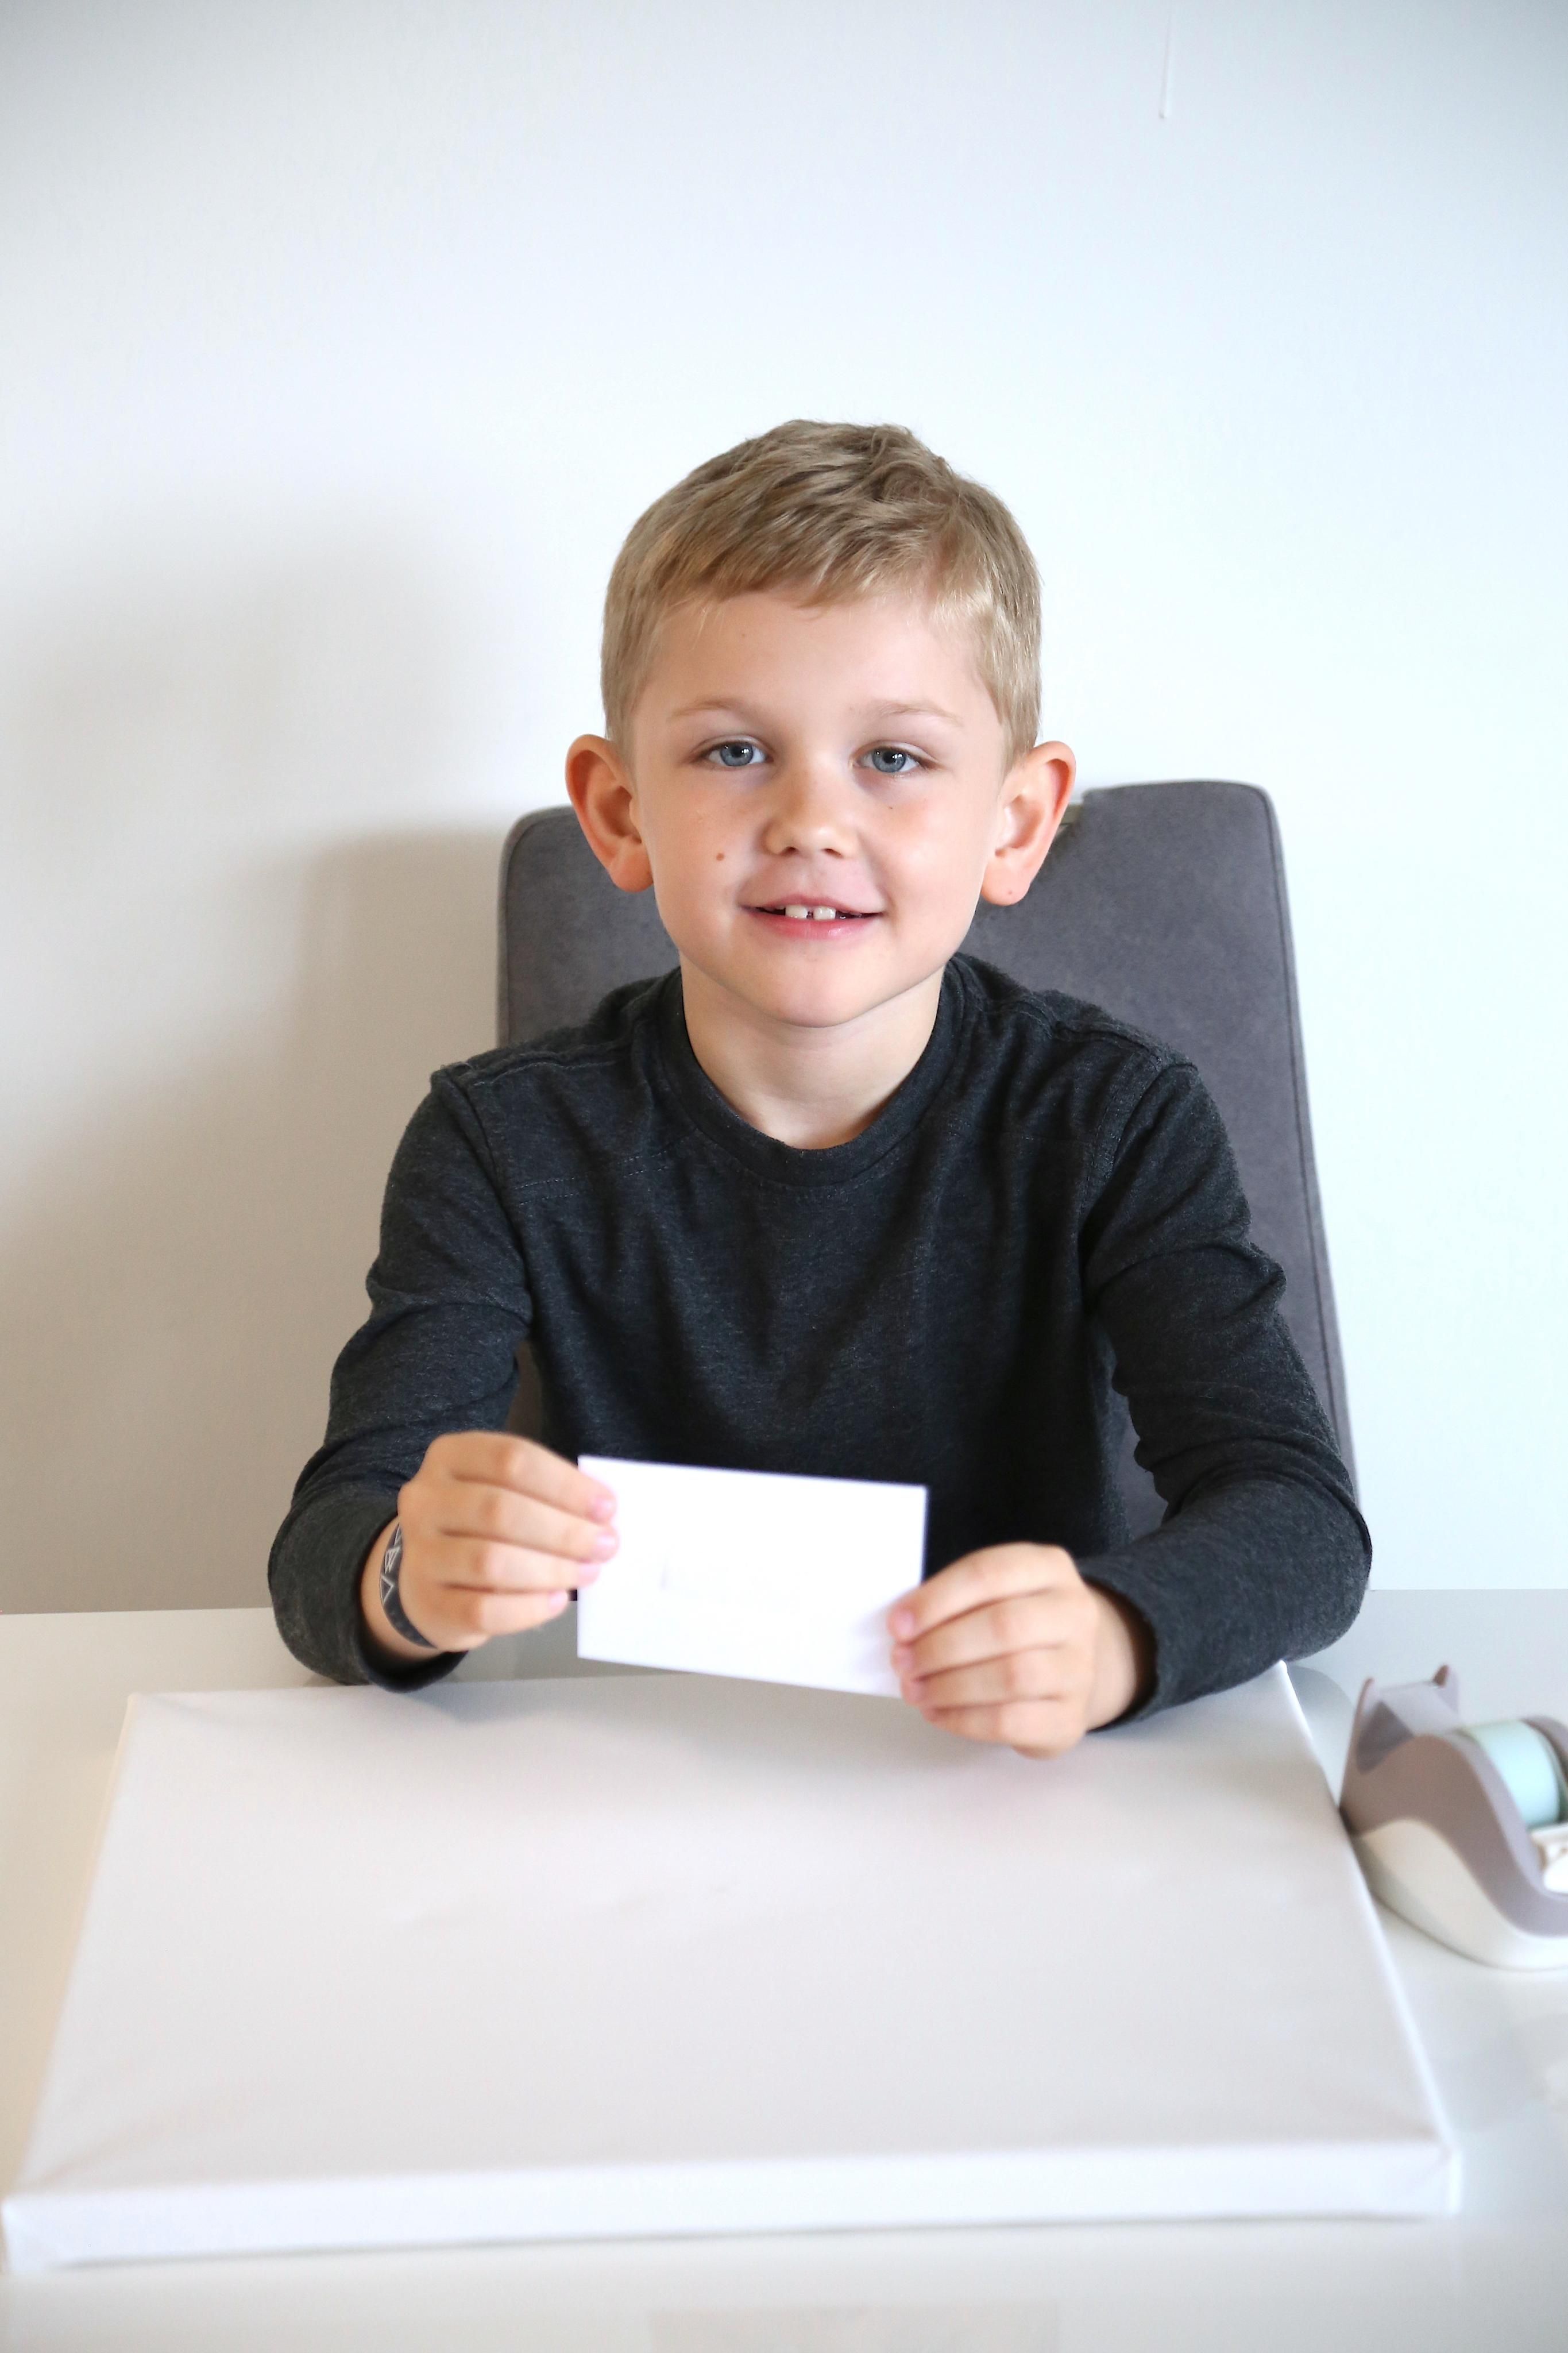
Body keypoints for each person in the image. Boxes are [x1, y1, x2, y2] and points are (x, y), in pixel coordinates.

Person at [269, 420, 1368, 1755]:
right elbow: (330, 1540)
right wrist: (404, 1575)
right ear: (619, 811)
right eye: (735, 751)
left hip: (1002, 1783)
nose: (811, 821)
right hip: (635, 1770)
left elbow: (1302, 1520)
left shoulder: (1117, 1120)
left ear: (1016, 821)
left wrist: (1117, 1637)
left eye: (893, 758)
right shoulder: (499, 1139)